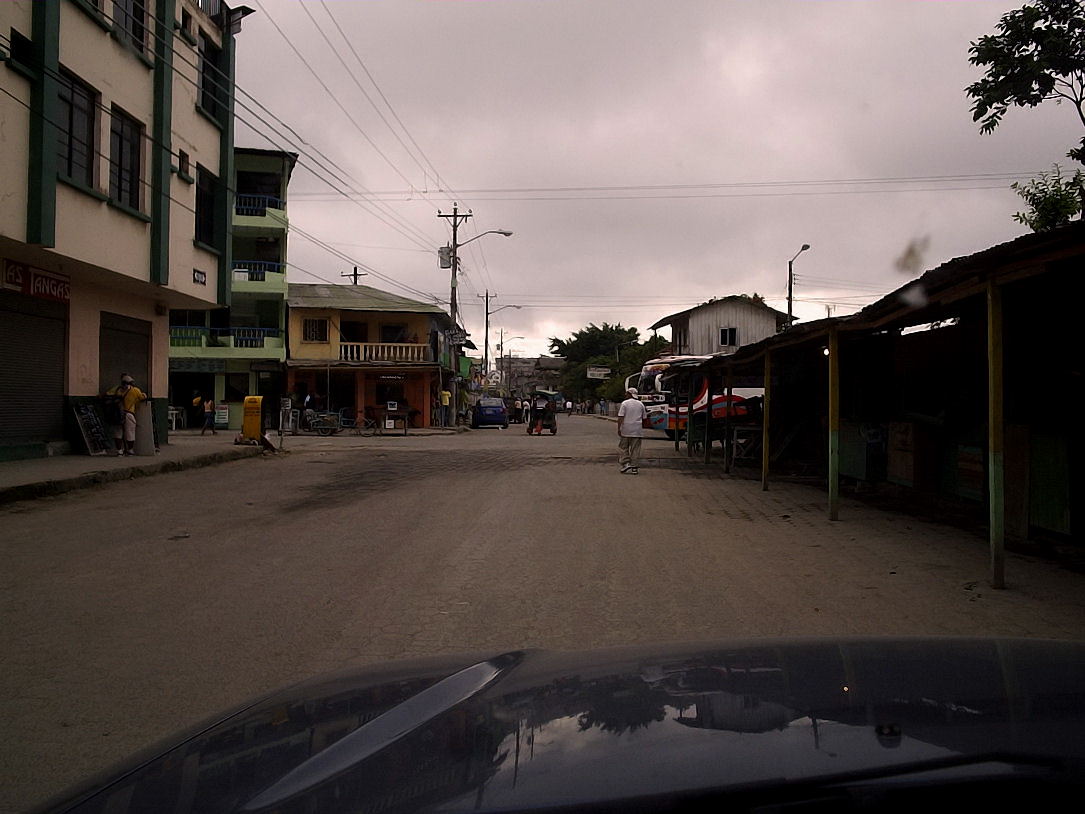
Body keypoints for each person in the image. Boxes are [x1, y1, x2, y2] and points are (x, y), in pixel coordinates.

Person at [108, 373, 147, 455]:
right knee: (130, 432)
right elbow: (142, 397)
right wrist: (144, 395)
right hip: (129, 414)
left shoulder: (116, 390)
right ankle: (130, 450)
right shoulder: (135, 390)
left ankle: (119, 450)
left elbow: (107, 395)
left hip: (117, 414)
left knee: (118, 432)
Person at [617, 387, 647, 474]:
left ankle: (625, 463)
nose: (625, 394)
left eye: (627, 393)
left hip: (626, 429)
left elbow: (620, 417)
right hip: (637, 430)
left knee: (623, 447)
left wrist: (619, 428)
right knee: (635, 449)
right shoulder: (641, 404)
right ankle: (634, 467)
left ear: (630, 394)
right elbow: (644, 418)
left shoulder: (624, 404)